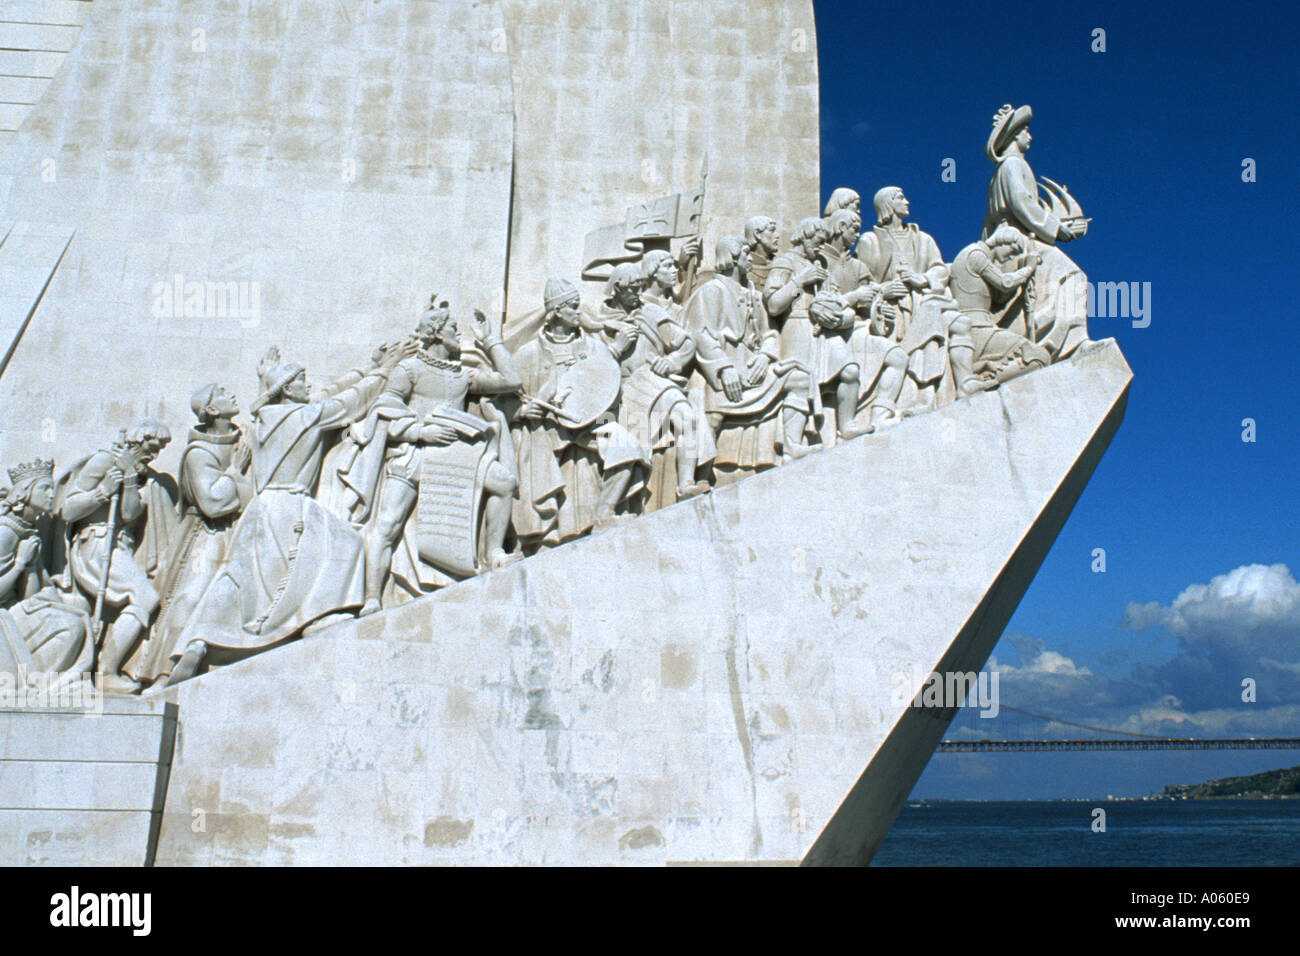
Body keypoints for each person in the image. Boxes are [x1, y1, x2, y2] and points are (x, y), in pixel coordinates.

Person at [168, 349, 391, 682]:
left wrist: (267, 378)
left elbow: (320, 395)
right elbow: (351, 402)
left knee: (239, 579)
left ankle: (197, 643)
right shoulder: (308, 417)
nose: (308, 385)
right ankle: (318, 615)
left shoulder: (260, 422)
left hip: (260, 509)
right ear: (287, 389)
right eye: (301, 381)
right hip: (291, 504)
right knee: (346, 544)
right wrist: (383, 372)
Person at [340, 299, 523, 616]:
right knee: (387, 524)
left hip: (453, 454)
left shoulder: (462, 375)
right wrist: (418, 432)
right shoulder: (408, 369)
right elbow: (382, 411)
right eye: (453, 328)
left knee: (504, 483)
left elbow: (512, 381)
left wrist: (490, 339)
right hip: (415, 452)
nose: (458, 334)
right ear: (437, 333)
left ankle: (494, 553)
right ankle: (372, 597)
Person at [126, 385, 252, 686]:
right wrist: (235, 470)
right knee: (190, 598)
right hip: (205, 535)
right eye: (222, 393)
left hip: (236, 531)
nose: (232, 395)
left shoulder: (241, 440)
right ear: (211, 410)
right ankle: (162, 671)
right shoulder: (199, 453)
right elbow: (212, 503)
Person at [510, 278, 648, 552]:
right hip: (547, 431)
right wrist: (522, 412)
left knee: (626, 446)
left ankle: (604, 514)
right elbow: (505, 403)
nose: (579, 312)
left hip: (589, 426)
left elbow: (608, 392)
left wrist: (601, 421)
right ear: (557, 311)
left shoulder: (594, 348)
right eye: (573, 307)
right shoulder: (528, 354)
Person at [57, 419, 176, 694]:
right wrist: (102, 492)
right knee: (145, 597)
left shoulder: (137, 472)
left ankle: (107, 669)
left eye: (159, 449)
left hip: (118, 546)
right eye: (151, 446)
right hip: (97, 544)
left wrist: (131, 478)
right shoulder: (103, 461)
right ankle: (107, 672)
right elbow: (69, 510)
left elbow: (129, 514)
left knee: (144, 598)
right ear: (136, 440)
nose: (154, 454)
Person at [683, 236, 812, 474]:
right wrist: (724, 368)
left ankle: (792, 445)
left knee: (799, 378)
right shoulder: (711, 291)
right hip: (723, 372)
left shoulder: (752, 294)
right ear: (732, 258)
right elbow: (698, 334)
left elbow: (770, 334)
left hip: (754, 369)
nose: (750, 258)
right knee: (713, 417)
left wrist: (765, 356)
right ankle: (699, 475)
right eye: (745, 253)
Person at [981, 103, 1089, 360]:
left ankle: (1052, 338)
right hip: (1015, 241)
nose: (1030, 136)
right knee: (1072, 276)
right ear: (1014, 134)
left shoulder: (1009, 168)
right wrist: (1058, 229)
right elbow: (1022, 204)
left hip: (1016, 238)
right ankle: (1066, 344)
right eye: (1025, 131)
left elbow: (1029, 207)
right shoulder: (1012, 166)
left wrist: (1061, 223)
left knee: (1057, 282)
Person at [597, 263, 712, 504]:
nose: (637, 294)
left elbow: (686, 343)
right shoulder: (598, 322)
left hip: (653, 382)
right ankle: (618, 506)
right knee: (623, 444)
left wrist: (670, 362)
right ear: (617, 289)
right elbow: (592, 370)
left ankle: (686, 484)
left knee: (687, 417)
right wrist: (616, 348)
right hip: (619, 392)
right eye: (631, 289)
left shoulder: (650, 313)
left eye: (640, 288)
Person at [763, 217, 871, 441]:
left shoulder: (821, 266)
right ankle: (795, 440)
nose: (822, 247)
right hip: (797, 326)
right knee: (802, 383)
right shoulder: (785, 262)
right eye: (818, 241)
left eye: (824, 242)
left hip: (824, 330)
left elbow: (836, 301)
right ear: (805, 236)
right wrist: (800, 281)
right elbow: (773, 305)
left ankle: (847, 425)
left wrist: (838, 317)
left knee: (850, 371)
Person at [856, 186, 955, 412]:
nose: (907, 202)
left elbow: (940, 269)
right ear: (888, 205)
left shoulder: (923, 239)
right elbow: (862, 282)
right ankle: (888, 406)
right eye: (900, 198)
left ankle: (926, 394)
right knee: (896, 351)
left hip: (919, 302)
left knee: (928, 329)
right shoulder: (870, 240)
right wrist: (884, 290)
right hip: (889, 310)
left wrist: (922, 279)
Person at [0, 458, 93, 691]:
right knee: (71, 626)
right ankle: (40, 685)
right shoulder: (5, 533)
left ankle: (47, 684)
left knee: (78, 612)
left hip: (16, 609)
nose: (52, 494)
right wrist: (21, 563)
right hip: (4, 618)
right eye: (45, 488)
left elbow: (31, 593)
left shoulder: (27, 530)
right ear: (25, 493)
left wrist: (31, 568)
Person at [946, 226, 1051, 393]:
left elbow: (1000, 296)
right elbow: (1005, 283)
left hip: (981, 328)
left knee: (1037, 355)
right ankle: (986, 383)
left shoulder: (978, 255)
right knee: (1039, 355)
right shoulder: (976, 254)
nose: (1012, 255)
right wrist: (1029, 268)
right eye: (1013, 249)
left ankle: (983, 381)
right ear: (1002, 241)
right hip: (977, 329)